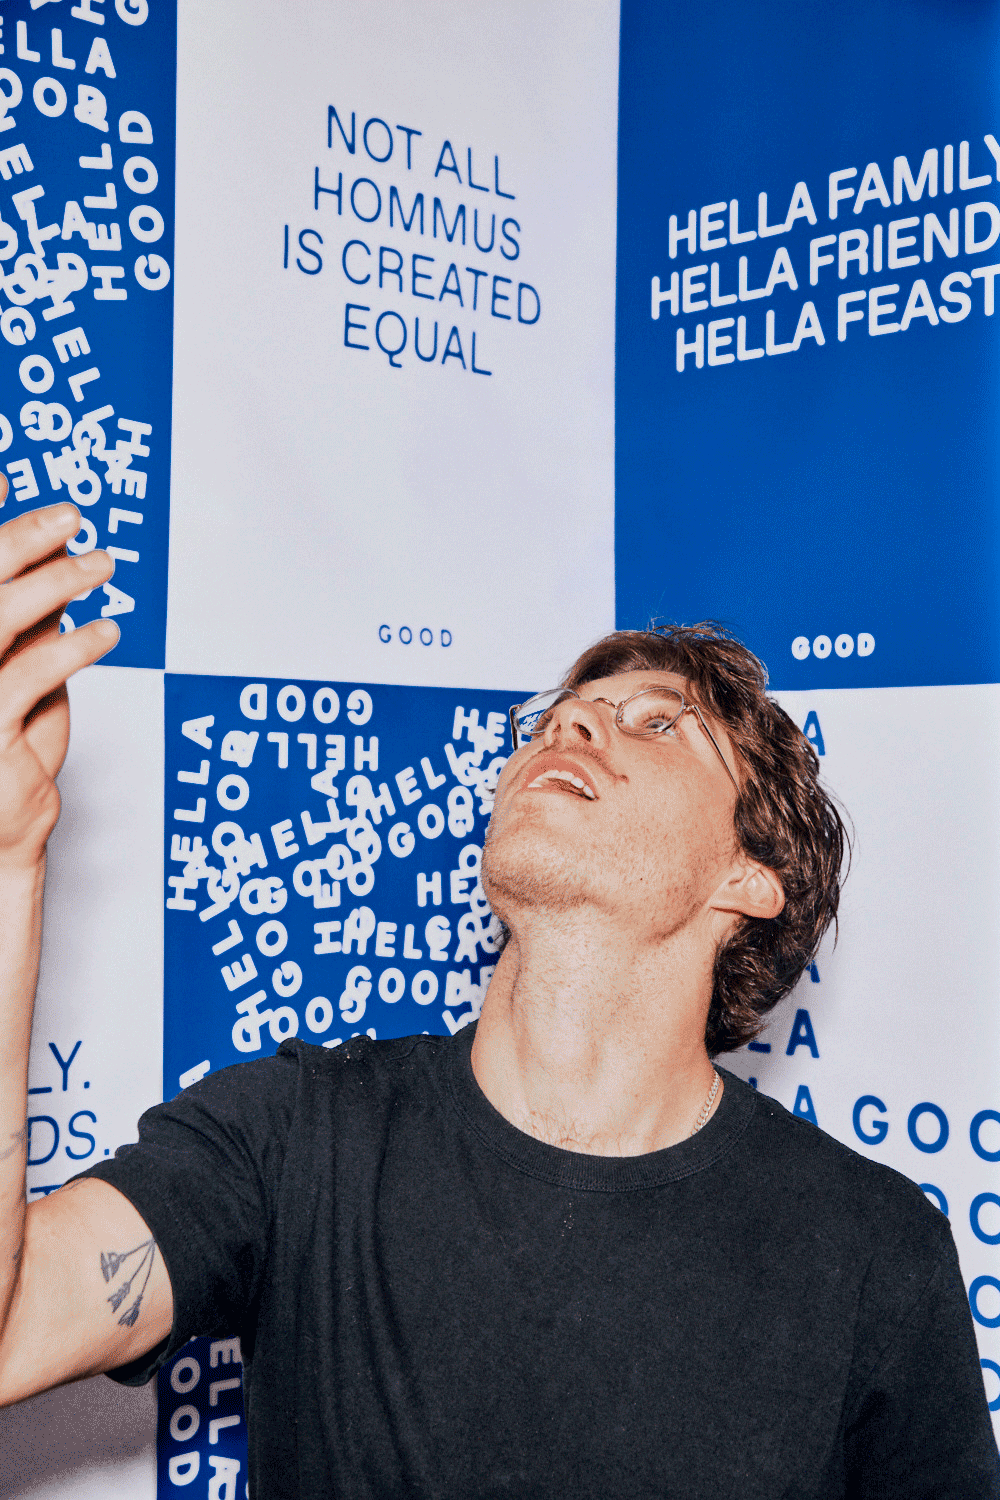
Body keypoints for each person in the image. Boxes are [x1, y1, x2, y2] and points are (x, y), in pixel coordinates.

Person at [0, 501, 996, 1499]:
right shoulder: (297, 1135)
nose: (571, 720)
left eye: (656, 725)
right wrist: (7, 871)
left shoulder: (872, 1248)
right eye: (561, 715)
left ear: (747, 878)